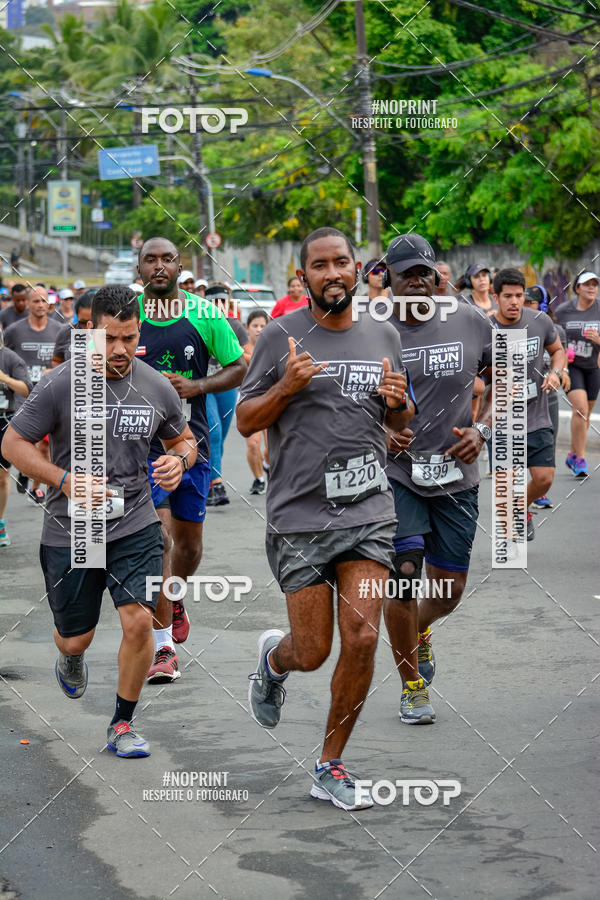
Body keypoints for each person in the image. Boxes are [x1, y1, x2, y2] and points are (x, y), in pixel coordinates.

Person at [238, 226, 414, 811]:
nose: (332, 273)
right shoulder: (282, 336)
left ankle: (329, 764)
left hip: (369, 510)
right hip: (300, 515)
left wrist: (397, 407)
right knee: (312, 651)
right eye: (320, 265)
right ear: (305, 273)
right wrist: (286, 386)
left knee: (361, 635)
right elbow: (244, 421)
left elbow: (398, 421)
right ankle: (274, 658)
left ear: (358, 268)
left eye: (342, 262)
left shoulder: (384, 333)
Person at [1, 285, 196, 756]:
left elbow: (184, 439)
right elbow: (11, 445)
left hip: (135, 523)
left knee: (137, 623)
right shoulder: (58, 383)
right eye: (109, 339)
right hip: (71, 529)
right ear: (88, 331)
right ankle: (71, 658)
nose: (120, 350)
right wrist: (64, 480)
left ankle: (122, 724)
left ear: (139, 330)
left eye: (129, 338)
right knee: (75, 638)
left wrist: (181, 461)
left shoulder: (155, 384)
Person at [382, 233, 493, 726]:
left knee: (448, 590)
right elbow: (344, 406)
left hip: (457, 475)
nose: (419, 283)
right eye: (408, 275)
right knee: (404, 579)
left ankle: (421, 629)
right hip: (396, 476)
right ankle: (411, 687)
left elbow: (507, 375)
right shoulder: (371, 331)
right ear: (389, 280)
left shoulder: (468, 319)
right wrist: (379, 435)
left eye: (425, 273)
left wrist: (482, 429)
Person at [135, 239, 247, 683]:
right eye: (151, 259)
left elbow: (239, 366)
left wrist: (196, 386)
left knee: (189, 546)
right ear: (139, 267)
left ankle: (175, 596)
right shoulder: (127, 312)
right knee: (160, 540)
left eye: (167, 259)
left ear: (181, 267)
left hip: (189, 443)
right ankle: (163, 649)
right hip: (141, 449)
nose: (159, 266)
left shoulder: (204, 314)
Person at [491, 269, 564, 541]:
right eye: (507, 296)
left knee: (544, 478)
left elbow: (557, 351)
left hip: (537, 415)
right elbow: (475, 372)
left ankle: (521, 508)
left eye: (519, 296)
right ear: (495, 297)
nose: (514, 301)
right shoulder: (486, 328)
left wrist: (556, 372)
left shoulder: (540, 321)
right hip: (502, 420)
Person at [4, 285, 62, 504]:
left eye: (44, 301)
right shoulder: (14, 332)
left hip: (50, 396)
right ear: (27, 303)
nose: (40, 305)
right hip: (22, 398)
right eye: (35, 301)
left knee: (46, 445)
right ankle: (25, 470)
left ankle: (36, 486)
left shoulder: (59, 330)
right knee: (24, 442)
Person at [204, 282, 250, 507]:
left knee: (219, 438)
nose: (218, 305)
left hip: (228, 385)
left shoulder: (235, 326)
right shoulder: (199, 322)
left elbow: (250, 356)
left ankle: (209, 480)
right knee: (213, 432)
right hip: (204, 385)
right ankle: (217, 484)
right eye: (213, 301)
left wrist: (234, 352)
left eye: (222, 301)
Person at [524, 285, 568, 509]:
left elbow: (561, 354)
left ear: (542, 306)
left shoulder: (553, 328)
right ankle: (517, 508)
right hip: (516, 403)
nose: (525, 306)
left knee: (545, 452)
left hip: (546, 398)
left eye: (530, 302)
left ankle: (534, 495)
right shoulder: (514, 326)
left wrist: (560, 373)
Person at [556, 271, 600, 478]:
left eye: (595, 284)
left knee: (585, 414)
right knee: (580, 409)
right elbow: (554, 338)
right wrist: (562, 361)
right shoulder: (564, 311)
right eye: (587, 284)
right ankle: (580, 459)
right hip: (572, 367)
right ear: (577, 288)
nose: (592, 288)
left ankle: (572, 454)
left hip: (593, 367)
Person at [0, 330, 32, 546]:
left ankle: (0, 522)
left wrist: (2, 377)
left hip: (4, 420)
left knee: (2, 476)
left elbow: (26, 388)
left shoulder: (10, 358)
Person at [243, 309, 269, 495]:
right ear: (247, 327)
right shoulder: (240, 348)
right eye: (255, 326)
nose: (259, 329)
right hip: (248, 399)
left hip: (270, 398)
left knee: (271, 447)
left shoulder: (272, 346)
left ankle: (267, 463)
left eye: (262, 326)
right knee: (253, 443)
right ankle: (259, 479)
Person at [52, 291, 95, 367]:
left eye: (92, 322)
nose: (87, 328)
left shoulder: (110, 334)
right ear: (76, 316)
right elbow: (56, 361)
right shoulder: (66, 332)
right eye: (83, 323)